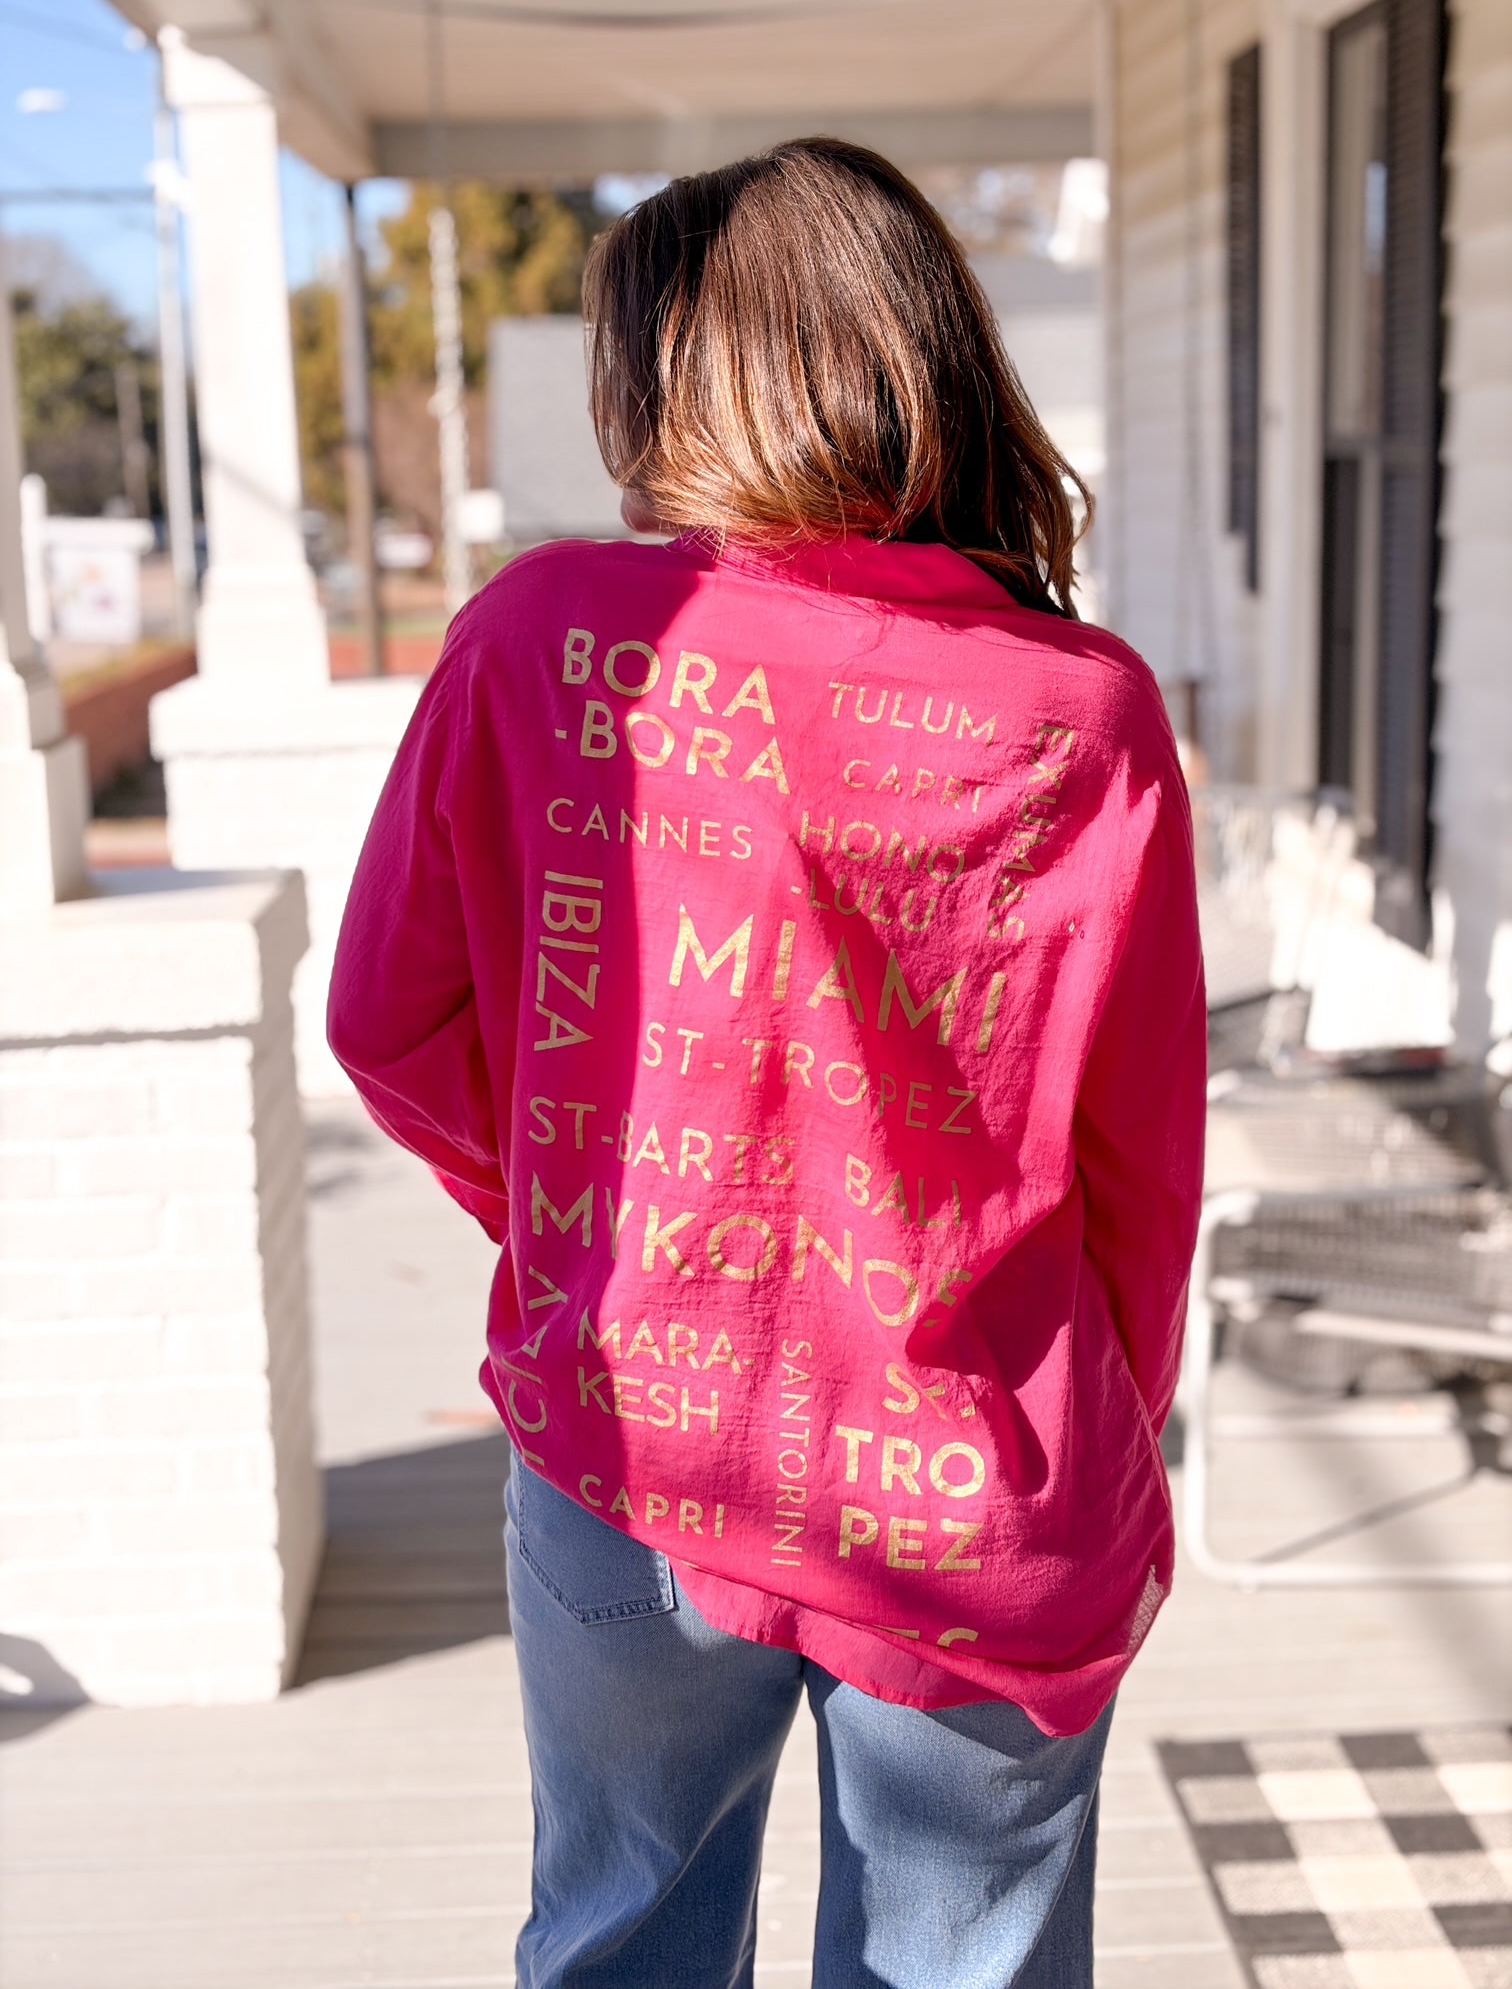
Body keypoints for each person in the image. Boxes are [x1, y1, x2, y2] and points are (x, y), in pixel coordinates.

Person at [328, 137, 1206, 1989]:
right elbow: (1134, 1178)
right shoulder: (1088, 716)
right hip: (974, 1490)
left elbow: (388, 1024)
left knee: (624, 1944)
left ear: (673, 383)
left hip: (633, 1430)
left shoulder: (539, 644)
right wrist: (1103, 1455)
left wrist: (590, 1211)